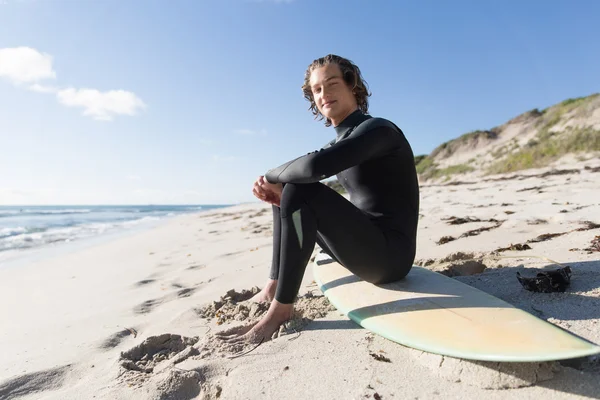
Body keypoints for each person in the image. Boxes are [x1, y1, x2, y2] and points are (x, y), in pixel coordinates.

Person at [217, 54, 420, 345]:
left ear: (352, 85)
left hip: (390, 258)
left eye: (332, 84)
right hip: (364, 249)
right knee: (290, 189)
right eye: (317, 90)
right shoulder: (341, 141)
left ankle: (280, 311)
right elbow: (308, 168)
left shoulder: (378, 131)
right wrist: (278, 187)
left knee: (299, 187)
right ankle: (274, 286)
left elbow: (313, 168)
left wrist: (271, 176)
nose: (324, 95)